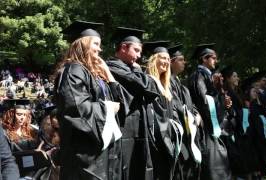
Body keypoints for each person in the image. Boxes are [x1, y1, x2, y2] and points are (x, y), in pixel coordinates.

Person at [54, 20, 121, 180]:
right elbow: (76, 109)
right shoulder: (73, 71)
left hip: (97, 152)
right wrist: (107, 108)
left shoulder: (92, 73)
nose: (100, 48)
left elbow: (119, 102)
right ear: (83, 44)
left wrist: (108, 74)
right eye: (96, 44)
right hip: (82, 155)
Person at [106, 27, 159, 180]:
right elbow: (144, 86)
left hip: (139, 129)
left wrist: (138, 72)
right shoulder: (113, 67)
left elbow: (151, 90)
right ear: (123, 47)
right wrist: (139, 72)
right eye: (136, 50)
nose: (139, 56)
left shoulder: (130, 69)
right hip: (124, 130)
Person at [188, 44, 232, 180]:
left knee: (221, 164)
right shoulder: (198, 76)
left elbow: (214, 99)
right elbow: (204, 101)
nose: (215, 61)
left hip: (216, 125)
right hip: (207, 127)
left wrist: (224, 103)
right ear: (204, 59)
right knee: (213, 167)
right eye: (213, 58)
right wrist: (215, 93)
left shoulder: (211, 76)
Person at [143, 41, 184, 180]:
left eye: (168, 59)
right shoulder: (148, 81)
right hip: (156, 138)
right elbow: (154, 114)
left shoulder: (165, 85)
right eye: (163, 58)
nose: (166, 62)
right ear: (154, 59)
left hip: (168, 136)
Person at [168, 44, 202, 180]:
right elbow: (176, 106)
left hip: (189, 134)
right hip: (180, 136)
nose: (184, 62)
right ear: (172, 61)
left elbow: (189, 104)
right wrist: (191, 116)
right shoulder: (167, 83)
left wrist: (196, 113)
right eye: (181, 59)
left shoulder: (180, 84)